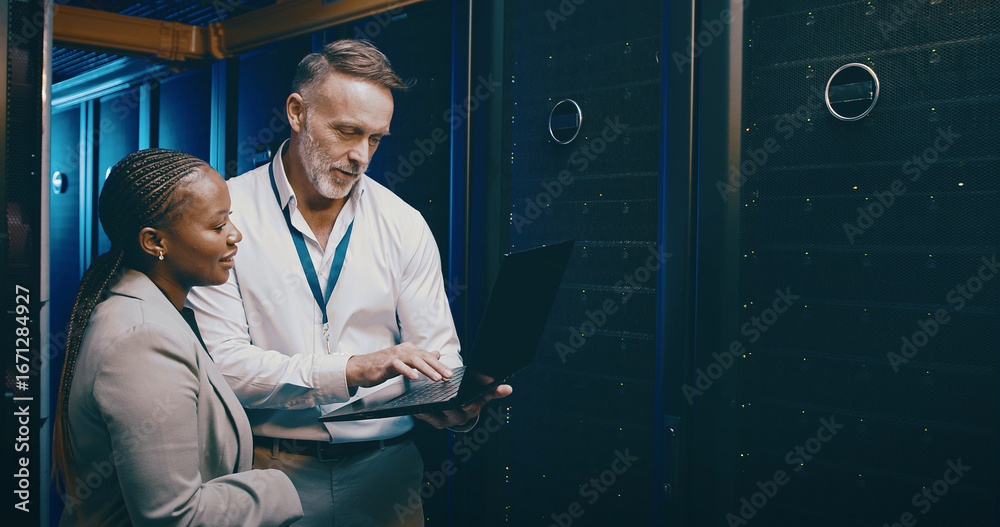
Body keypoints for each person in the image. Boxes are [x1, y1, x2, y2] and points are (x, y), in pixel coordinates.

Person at [186, 39, 510, 526]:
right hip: (266, 469)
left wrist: (452, 402)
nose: (361, 155)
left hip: (388, 474)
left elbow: (438, 354)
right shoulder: (224, 213)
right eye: (346, 131)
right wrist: (352, 369)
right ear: (297, 113)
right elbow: (224, 369)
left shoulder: (403, 223)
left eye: (375, 138)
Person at [53, 148, 304, 527]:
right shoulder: (143, 339)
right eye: (217, 226)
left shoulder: (151, 310)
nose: (235, 236)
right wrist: (280, 486)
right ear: (155, 242)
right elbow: (174, 518)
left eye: (230, 220)